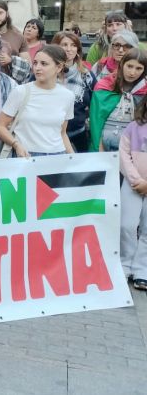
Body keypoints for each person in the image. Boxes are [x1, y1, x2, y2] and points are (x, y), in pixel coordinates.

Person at [0, 45, 75, 157]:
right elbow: (0, 126)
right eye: (35, 63)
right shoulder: (20, 91)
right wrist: (16, 144)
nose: (37, 68)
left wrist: (73, 157)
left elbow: (62, 133)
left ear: (59, 67)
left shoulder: (68, 96)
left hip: (58, 156)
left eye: (44, 64)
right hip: (26, 156)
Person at [90, 48, 147, 152]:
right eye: (129, 66)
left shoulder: (144, 91)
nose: (132, 72)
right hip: (104, 146)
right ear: (122, 64)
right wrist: (99, 149)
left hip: (133, 149)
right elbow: (96, 121)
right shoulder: (105, 86)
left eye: (139, 68)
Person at [119, 96, 147, 289]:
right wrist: (137, 180)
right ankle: (125, 264)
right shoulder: (133, 127)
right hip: (133, 184)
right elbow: (123, 155)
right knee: (126, 225)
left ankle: (142, 270)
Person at [52, 31, 96, 153]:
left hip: (78, 135)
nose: (69, 49)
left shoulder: (86, 75)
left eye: (73, 45)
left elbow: (94, 104)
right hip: (50, 136)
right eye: (64, 45)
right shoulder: (45, 72)